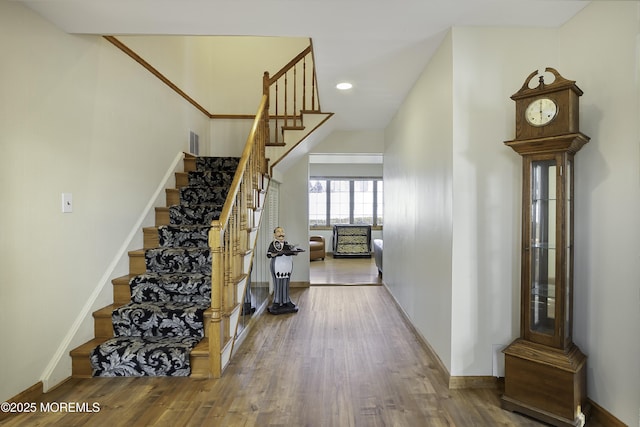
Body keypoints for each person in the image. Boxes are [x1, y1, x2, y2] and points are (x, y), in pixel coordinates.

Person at [267, 226, 302, 314]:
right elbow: (269, 254)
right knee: (278, 284)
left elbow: (292, 251)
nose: (281, 233)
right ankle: (277, 301)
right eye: (278, 231)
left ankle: (286, 300)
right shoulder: (273, 244)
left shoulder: (287, 244)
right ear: (274, 234)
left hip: (287, 267)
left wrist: (295, 252)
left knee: (286, 283)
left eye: (282, 231)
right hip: (277, 267)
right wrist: (274, 254)